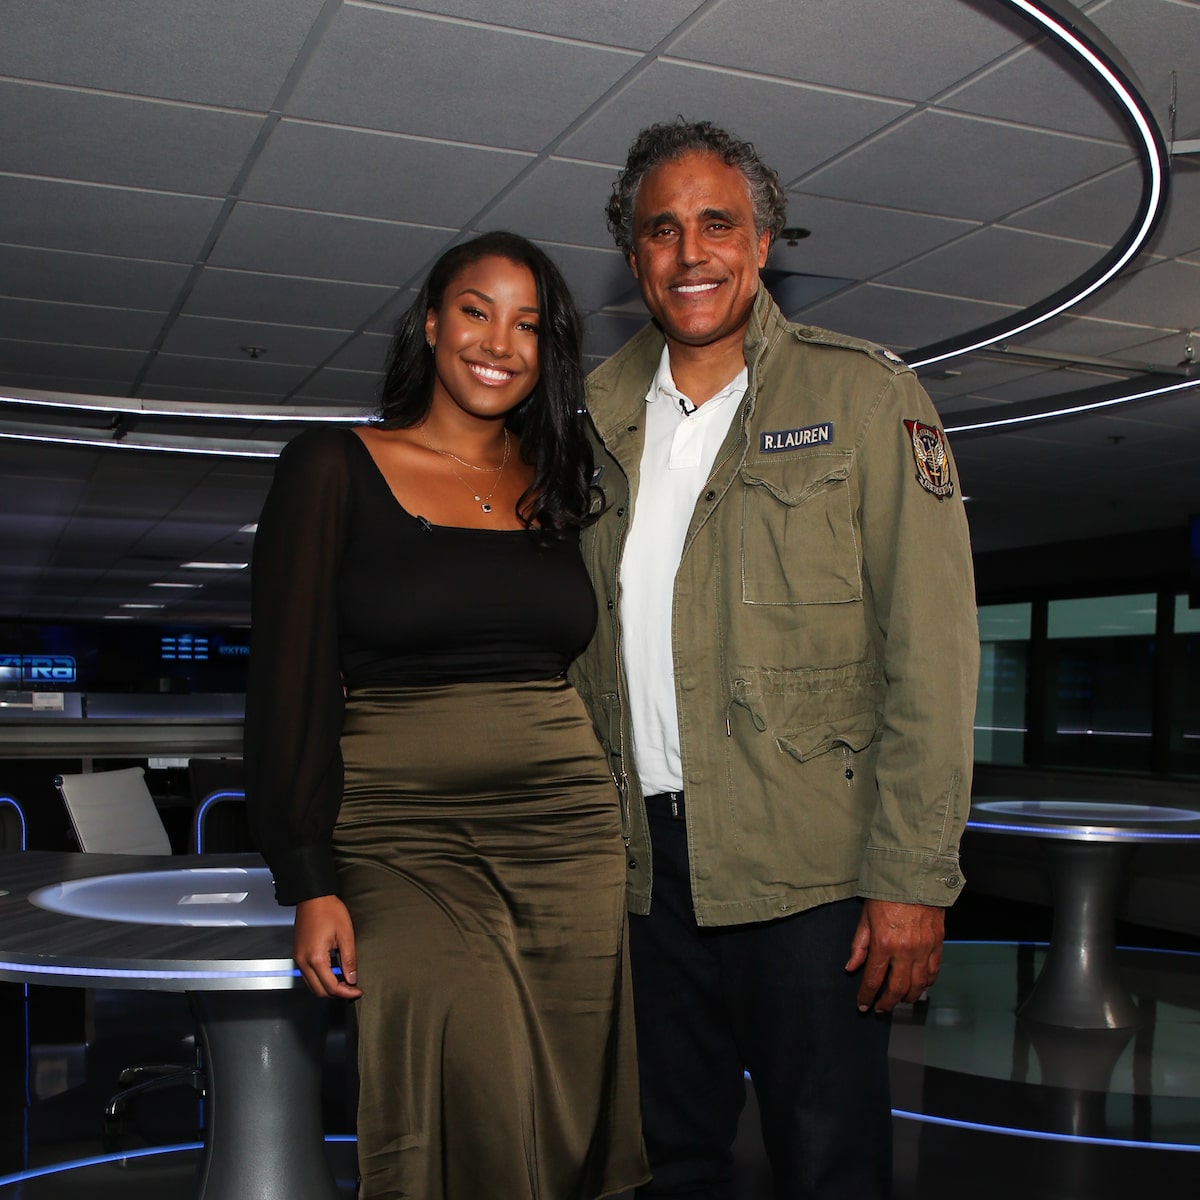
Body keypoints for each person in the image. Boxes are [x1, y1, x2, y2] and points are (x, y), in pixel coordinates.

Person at [568, 120, 980, 1198]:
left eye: (718, 223)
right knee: (665, 1151)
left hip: (811, 871)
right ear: (634, 259)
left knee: (828, 1155)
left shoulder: (864, 398)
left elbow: (932, 655)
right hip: (641, 870)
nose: (690, 251)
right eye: (663, 230)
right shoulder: (589, 422)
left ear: (761, 244)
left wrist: (913, 882)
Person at [244, 231, 649, 1200]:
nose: (499, 342)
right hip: (402, 838)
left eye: (529, 325)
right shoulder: (332, 468)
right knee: (464, 1085)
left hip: (565, 834)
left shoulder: (561, 490)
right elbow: (286, 683)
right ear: (431, 322)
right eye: (476, 310)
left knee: (561, 1108)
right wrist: (307, 875)